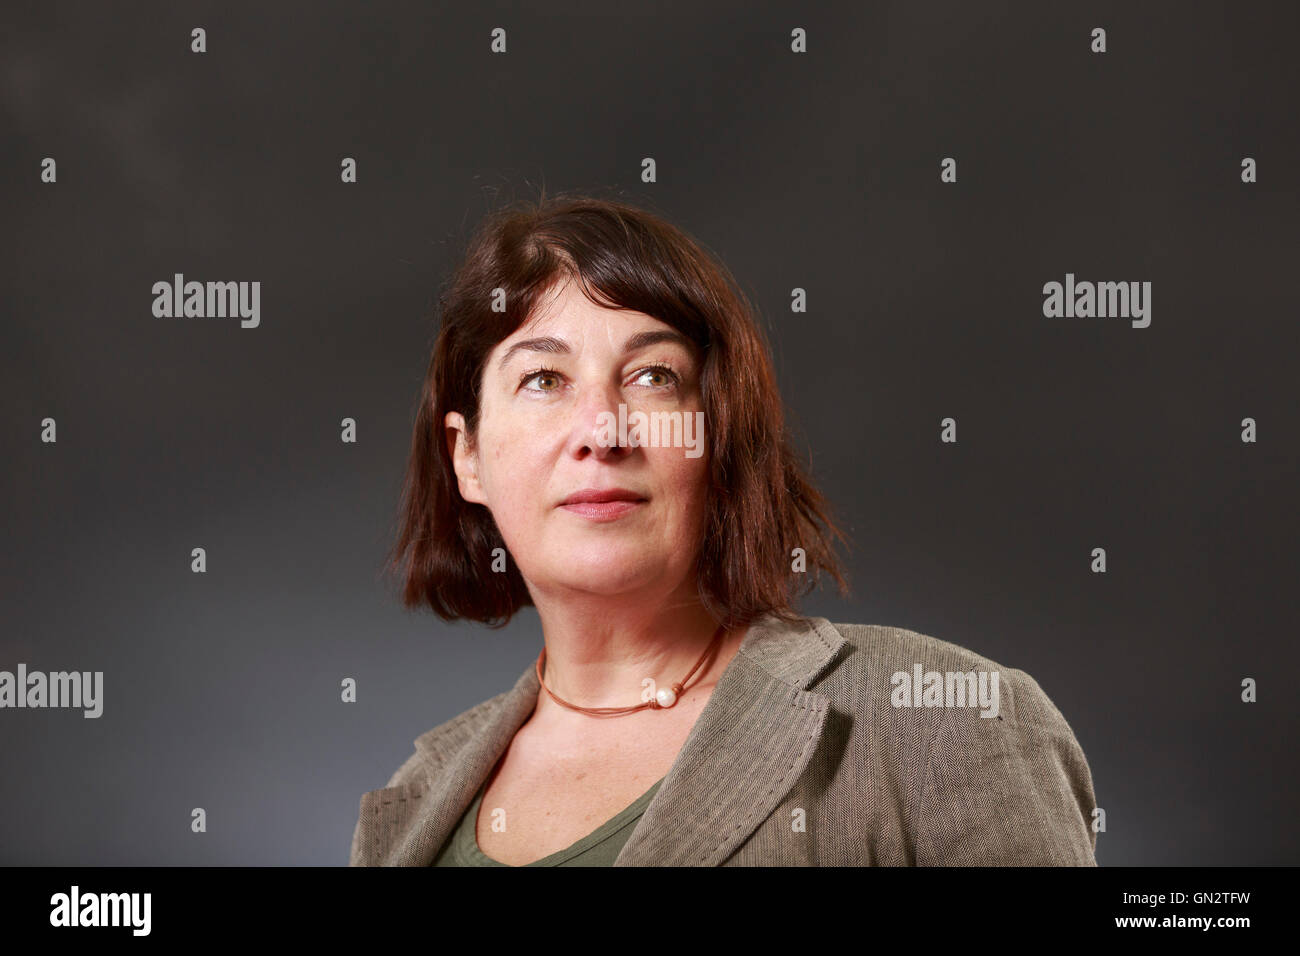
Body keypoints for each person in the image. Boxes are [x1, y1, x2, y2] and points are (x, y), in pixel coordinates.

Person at [348, 193, 1098, 866]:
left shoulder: (946, 722)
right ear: (467, 457)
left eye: (654, 377)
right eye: (543, 380)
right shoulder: (414, 803)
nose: (602, 432)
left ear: (719, 436)